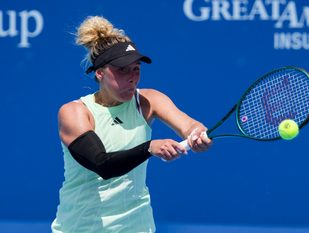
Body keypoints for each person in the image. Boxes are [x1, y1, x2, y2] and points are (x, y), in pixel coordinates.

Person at [51, 16, 212, 233]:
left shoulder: (148, 101)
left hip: (137, 227)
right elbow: (103, 165)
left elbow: (189, 125)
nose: (132, 78)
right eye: (122, 70)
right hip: (81, 227)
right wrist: (149, 147)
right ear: (100, 73)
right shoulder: (74, 112)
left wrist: (197, 135)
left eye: (136, 69)